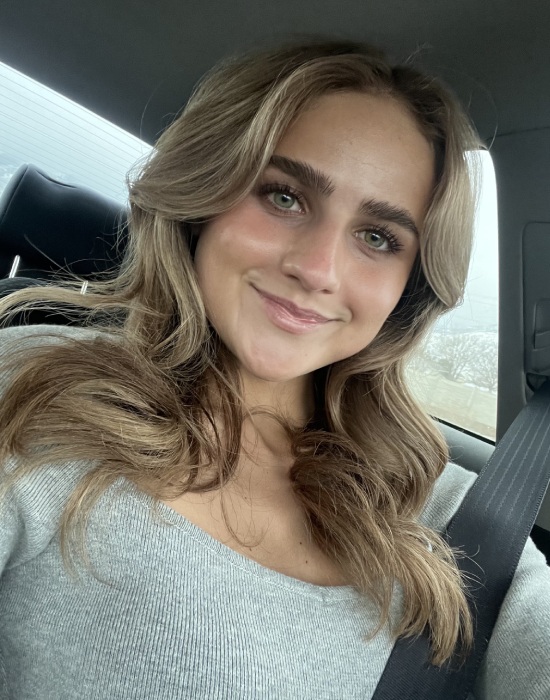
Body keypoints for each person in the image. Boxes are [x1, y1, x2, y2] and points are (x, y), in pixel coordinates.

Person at [0, 39, 548, 700]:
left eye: (377, 237)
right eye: (284, 196)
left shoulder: (459, 516)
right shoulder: (35, 390)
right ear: (205, 194)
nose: (317, 269)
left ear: (410, 284)